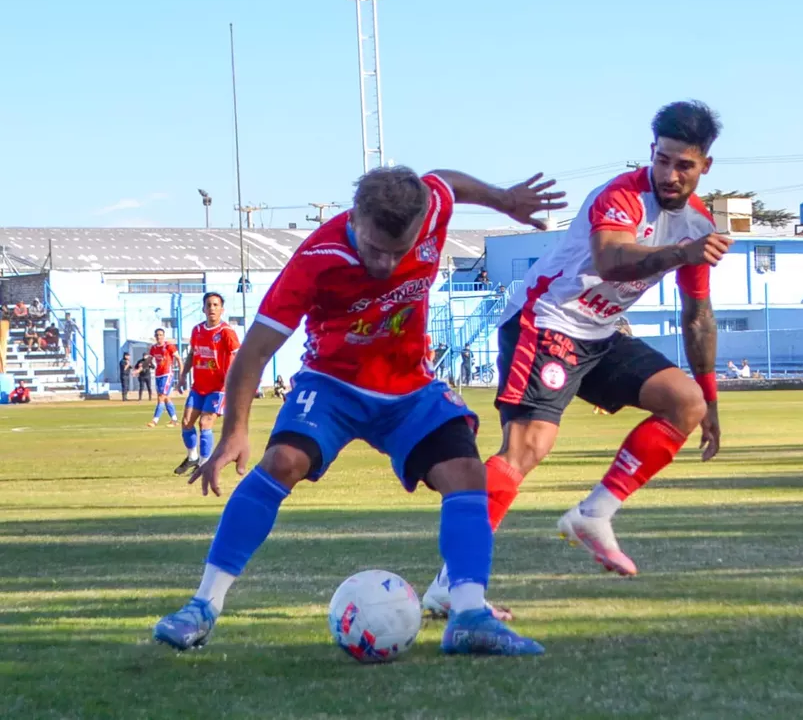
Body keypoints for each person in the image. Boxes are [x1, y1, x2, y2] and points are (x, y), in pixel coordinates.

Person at [153, 165, 565, 656]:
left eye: (399, 251)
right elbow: (254, 351)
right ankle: (202, 606)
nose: (387, 264)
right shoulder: (316, 259)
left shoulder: (431, 205)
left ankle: (469, 616)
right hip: (333, 384)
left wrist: (504, 200)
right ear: (354, 218)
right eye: (374, 249)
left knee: (467, 474)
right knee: (282, 462)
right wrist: (234, 432)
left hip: (410, 385)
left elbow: (446, 181)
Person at [422, 101, 733, 615]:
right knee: (527, 449)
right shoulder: (621, 195)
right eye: (662, 160)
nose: (669, 174)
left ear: (705, 166)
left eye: (684, 165)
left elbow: (698, 316)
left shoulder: (697, 223)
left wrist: (713, 400)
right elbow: (611, 260)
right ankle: (449, 584)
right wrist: (684, 253)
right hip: (546, 320)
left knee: (686, 402)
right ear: (651, 152)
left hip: (600, 334)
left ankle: (594, 514)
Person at [173, 294, 241, 476]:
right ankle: (193, 457)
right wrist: (183, 375)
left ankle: (204, 464)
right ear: (203, 309)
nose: (212, 308)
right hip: (199, 386)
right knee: (187, 422)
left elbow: (238, 356)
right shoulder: (197, 330)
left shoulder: (226, 332)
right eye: (209, 305)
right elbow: (192, 354)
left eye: (216, 305)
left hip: (219, 388)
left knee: (205, 423)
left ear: (222, 309)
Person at [147, 329, 181, 428]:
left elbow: (178, 358)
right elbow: (149, 359)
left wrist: (181, 372)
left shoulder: (169, 346)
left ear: (164, 336)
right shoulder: (153, 348)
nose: (159, 337)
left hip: (167, 374)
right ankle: (174, 420)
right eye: (157, 335)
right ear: (155, 336)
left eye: (161, 335)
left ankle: (155, 421)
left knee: (161, 397)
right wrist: (140, 369)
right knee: (166, 398)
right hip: (158, 374)